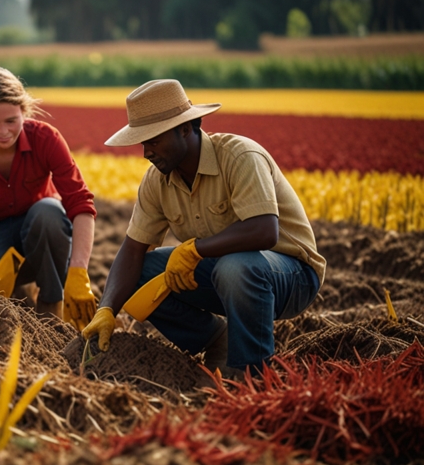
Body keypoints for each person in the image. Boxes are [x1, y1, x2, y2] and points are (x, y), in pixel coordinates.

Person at [81, 79, 326, 378]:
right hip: (226, 274)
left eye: (154, 140)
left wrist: (195, 250)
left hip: (290, 276)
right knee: (141, 273)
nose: (146, 152)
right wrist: (107, 309)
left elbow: (264, 231)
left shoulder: (239, 157)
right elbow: (132, 250)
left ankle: (249, 371)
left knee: (236, 267)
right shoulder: (157, 180)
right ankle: (215, 340)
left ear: (186, 129)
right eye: (143, 143)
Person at [0, 66, 98, 330]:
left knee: (49, 212)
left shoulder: (47, 139)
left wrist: (79, 271)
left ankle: (49, 302)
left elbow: (81, 205)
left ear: (24, 111)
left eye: (12, 120)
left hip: (40, 231)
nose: (3, 132)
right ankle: (14, 292)